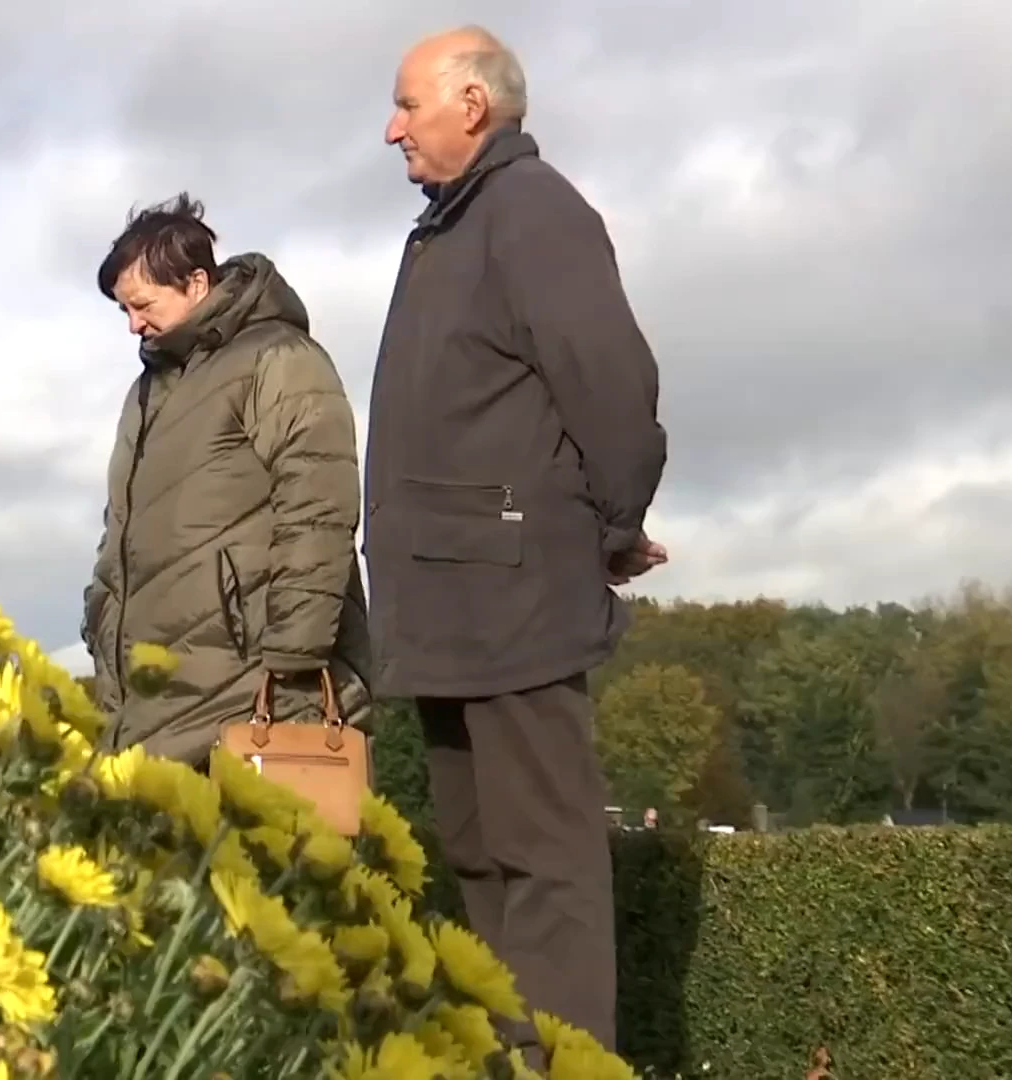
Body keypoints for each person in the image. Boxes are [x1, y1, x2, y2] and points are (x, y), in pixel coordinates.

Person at [362, 25, 670, 1064]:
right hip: (454, 606)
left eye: (407, 105)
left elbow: (613, 388)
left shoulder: (533, 212)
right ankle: (510, 1063)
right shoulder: (450, 226)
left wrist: (612, 527)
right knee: (483, 861)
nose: (390, 127)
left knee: (546, 870)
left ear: (472, 105)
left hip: (514, 601)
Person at [80, 193, 374, 767]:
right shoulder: (147, 393)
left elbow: (318, 504)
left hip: (258, 691)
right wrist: (101, 623)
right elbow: (121, 529)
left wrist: (295, 658)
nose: (134, 325)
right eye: (124, 312)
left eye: (142, 304)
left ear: (195, 283)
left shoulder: (280, 359)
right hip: (154, 702)